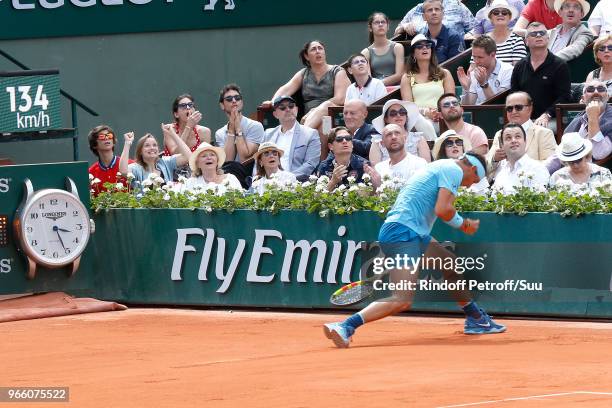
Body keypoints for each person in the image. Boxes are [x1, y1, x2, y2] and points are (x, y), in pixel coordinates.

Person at [323, 151, 507, 348]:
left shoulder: (443, 166)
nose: (470, 185)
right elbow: (443, 209)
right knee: (402, 300)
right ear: (471, 169)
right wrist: (464, 224)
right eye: (474, 179)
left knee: (449, 264)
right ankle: (345, 326)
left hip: (412, 232)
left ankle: (476, 318)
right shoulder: (453, 170)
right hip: (403, 232)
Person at [267, 40, 351, 156]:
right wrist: (272, 102)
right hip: (311, 119)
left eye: (320, 48)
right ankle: (318, 168)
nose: (318, 51)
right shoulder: (304, 73)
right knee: (321, 127)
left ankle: (296, 139)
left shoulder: (337, 71)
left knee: (325, 117)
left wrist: (317, 110)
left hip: (331, 117)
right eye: (313, 49)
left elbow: (340, 98)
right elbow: (286, 89)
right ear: (306, 56)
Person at [511, 22, 571, 130]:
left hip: (551, 118)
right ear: (526, 42)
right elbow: (514, 96)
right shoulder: (519, 66)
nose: (538, 36)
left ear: (548, 39)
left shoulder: (560, 65)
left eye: (542, 33)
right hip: (525, 119)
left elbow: (564, 97)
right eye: (533, 34)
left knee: (540, 130)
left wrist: (547, 114)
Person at [487, 92, 557, 172]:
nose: (513, 112)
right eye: (509, 109)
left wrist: (521, 169)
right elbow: (486, 167)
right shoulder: (499, 134)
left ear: (530, 108)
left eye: (518, 107)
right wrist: (495, 159)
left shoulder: (543, 133)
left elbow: (551, 164)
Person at [216, 84, 264, 187]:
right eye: (229, 99)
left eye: (237, 98)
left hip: (250, 177)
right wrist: (231, 131)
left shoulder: (255, 126)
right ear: (222, 105)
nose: (234, 101)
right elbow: (228, 160)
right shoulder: (220, 133)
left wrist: (238, 128)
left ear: (241, 102)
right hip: (230, 178)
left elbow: (244, 157)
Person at [263, 95, 321, 182]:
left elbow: (310, 163)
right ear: (275, 114)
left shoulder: (310, 134)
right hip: (269, 182)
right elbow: (259, 160)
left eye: (291, 106)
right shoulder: (268, 134)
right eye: (282, 108)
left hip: (295, 183)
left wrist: (288, 179)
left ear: (296, 109)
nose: (288, 109)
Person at [556, 80, 612, 168]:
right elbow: (562, 153)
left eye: (601, 89)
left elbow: (598, 153)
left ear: (608, 97)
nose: (596, 92)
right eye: (590, 90)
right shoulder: (578, 119)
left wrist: (593, 118)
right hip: (572, 171)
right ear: (583, 98)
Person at [401, 34, 455, 121]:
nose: (424, 48)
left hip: (442, 118)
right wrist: (425, 112)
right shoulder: (407, 77)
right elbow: (408, 107)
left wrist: (438, 114)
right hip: (419, 119)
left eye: (428, 46)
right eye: (419, 46)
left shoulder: (445, 74)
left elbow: (451, 101)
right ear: (413, 54)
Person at [119, 125, 192, 187]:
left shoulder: (166, 162)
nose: (152, 148)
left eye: (155, 145)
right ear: (140, 151)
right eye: (147, 145)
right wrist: (127, 143)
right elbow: (123, 171)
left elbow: (188, 157)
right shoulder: (136, 168)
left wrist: (173, 134)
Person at [162, 94, 212, 180]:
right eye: (183, 106)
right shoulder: (169, 129)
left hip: (196, 176)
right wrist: (188, 128)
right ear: (176, 114)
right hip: (171, 176)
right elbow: (175, 153)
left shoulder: (204, 132)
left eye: (190, 105)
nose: (188, 108)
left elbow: (205, 158)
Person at [364, 124, 428, 190]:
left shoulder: (419, 164)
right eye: (389, 135)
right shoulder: (379, 168)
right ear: (382, 143)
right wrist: (374, 185)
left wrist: (380, 186)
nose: (393, 137)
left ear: (405, 139)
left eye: (397, 133)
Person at [491, 123, 550, 193]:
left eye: (518, 136)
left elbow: (540, 201)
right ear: (502, 145)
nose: (513, 141)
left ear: (525, 142)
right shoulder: (501, 173)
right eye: (508, 138)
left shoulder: (537, 168)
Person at [370, 99, 434, 164]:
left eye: (402, 112)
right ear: (386, 119)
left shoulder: (418, 138)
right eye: (393, 113)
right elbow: (375, 169)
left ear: (406, 117)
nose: (398, 115)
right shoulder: (377, 142)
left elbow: (426, 166)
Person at [457, 36, 513, 105]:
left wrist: (484, 84)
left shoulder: (508, 71)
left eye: (480, 57)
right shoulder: (475, 72)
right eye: (474, 57)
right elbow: (468, 107)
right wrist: (466, 89)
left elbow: (499, 105)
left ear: (493, 55)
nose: (476, 61)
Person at [394, 0, 476, 40]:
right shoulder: (417, 10)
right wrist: (404, 26)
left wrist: (468, 35)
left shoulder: (457, 5)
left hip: (455, 51)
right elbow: (396, 32)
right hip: (424, 52)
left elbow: (476, 28)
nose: (434, 12)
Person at [316, 127, 367, 191]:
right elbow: (318, 197)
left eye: (348, 138)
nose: (345, 141)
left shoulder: (364, 165)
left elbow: (367, 195)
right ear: (330, 146)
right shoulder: (324, 166)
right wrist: (333, 182)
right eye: (339, 139)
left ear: (352, 144)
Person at [362, 12, 405, 86]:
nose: (380, 24)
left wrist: (379, 83)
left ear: (388, 26)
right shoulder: (366, 52)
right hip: (376, 92)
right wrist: (376, 86)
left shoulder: (397, 47)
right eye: (376, 22)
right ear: (370, 28)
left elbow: (399, 75)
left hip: (396, 90)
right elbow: (368, 78)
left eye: (383, 22)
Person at [88, 125, 132, 195]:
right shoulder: (91, 173)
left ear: (113, 142)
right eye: (102, 137)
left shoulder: (130, 164)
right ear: (94, 145)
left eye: (109, 136)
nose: (106, 138)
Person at [484, 0, 528, 65]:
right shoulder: (482, 40)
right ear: (490, 17)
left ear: (510, 17)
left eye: (504, 12)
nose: (500, 14)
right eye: (496, 12)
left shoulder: (517, 40)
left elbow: (518, 71)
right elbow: (473, 67)